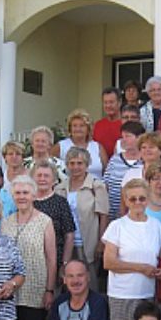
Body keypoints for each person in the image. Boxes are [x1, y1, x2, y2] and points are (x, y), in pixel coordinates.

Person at [102, 179, 161, 320]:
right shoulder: (117, 226)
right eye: (133, 199)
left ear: (148, 199)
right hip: (122, 294)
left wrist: (159, 271)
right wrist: (141, 268)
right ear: (126, 200)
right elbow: (109, 262)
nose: (138, 203)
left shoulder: (155, 225)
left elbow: (157, 257)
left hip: (147, 293)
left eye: (142, 198)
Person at [1, 175, 57, 320]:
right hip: (9, 289)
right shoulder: (6, 222)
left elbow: (51, 258)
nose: (22, 197)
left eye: (25, 192)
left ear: (33, 195)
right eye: (18, 193)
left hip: (35, 288)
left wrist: (49, 290)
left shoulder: (45, 221)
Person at [55, 147, 109, 292]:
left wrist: (101, 242)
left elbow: (103, 215)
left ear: (87, 165)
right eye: (72, 163)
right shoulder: (60, 188)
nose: (75, 167)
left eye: (80, 163)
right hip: (66, 243)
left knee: (89, 282)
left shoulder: (96, 186)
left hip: (88, 242)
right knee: (67, 282)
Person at [31, 161, 76, 278]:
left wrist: (65, 263)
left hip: (55, 259)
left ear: (54, 180)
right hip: (30, 261)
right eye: (39, 175)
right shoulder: (26, 201)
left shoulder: (60, 202)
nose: (42, 179)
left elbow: (69, 235)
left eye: (46, 176)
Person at [103, 121, 144, 221]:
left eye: (128, 136)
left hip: (138, 215)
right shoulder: (115, 159)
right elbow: (105, 185)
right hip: (113, 216)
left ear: (139, 138)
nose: (123, 140)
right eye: (122, 137)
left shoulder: (145, 161)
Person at [120, 132, 161, 201]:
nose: (147, 150)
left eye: (151, 147)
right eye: (143, 147)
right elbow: (123, 202)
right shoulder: (131, 173)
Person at [53, 110, 107, 180]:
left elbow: (106, 171)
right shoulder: (60, 146)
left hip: (96, 188)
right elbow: (51, 167)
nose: (78, 129)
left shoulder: (98, 147)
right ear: (70, 129)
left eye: (82, 126)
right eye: (74, 126)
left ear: (88, 129)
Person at [93, 87, 124, 158]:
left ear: (119, 102)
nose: (108, 106)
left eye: (111, 102)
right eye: (105, 102)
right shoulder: (98, 125)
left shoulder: (126, 125)